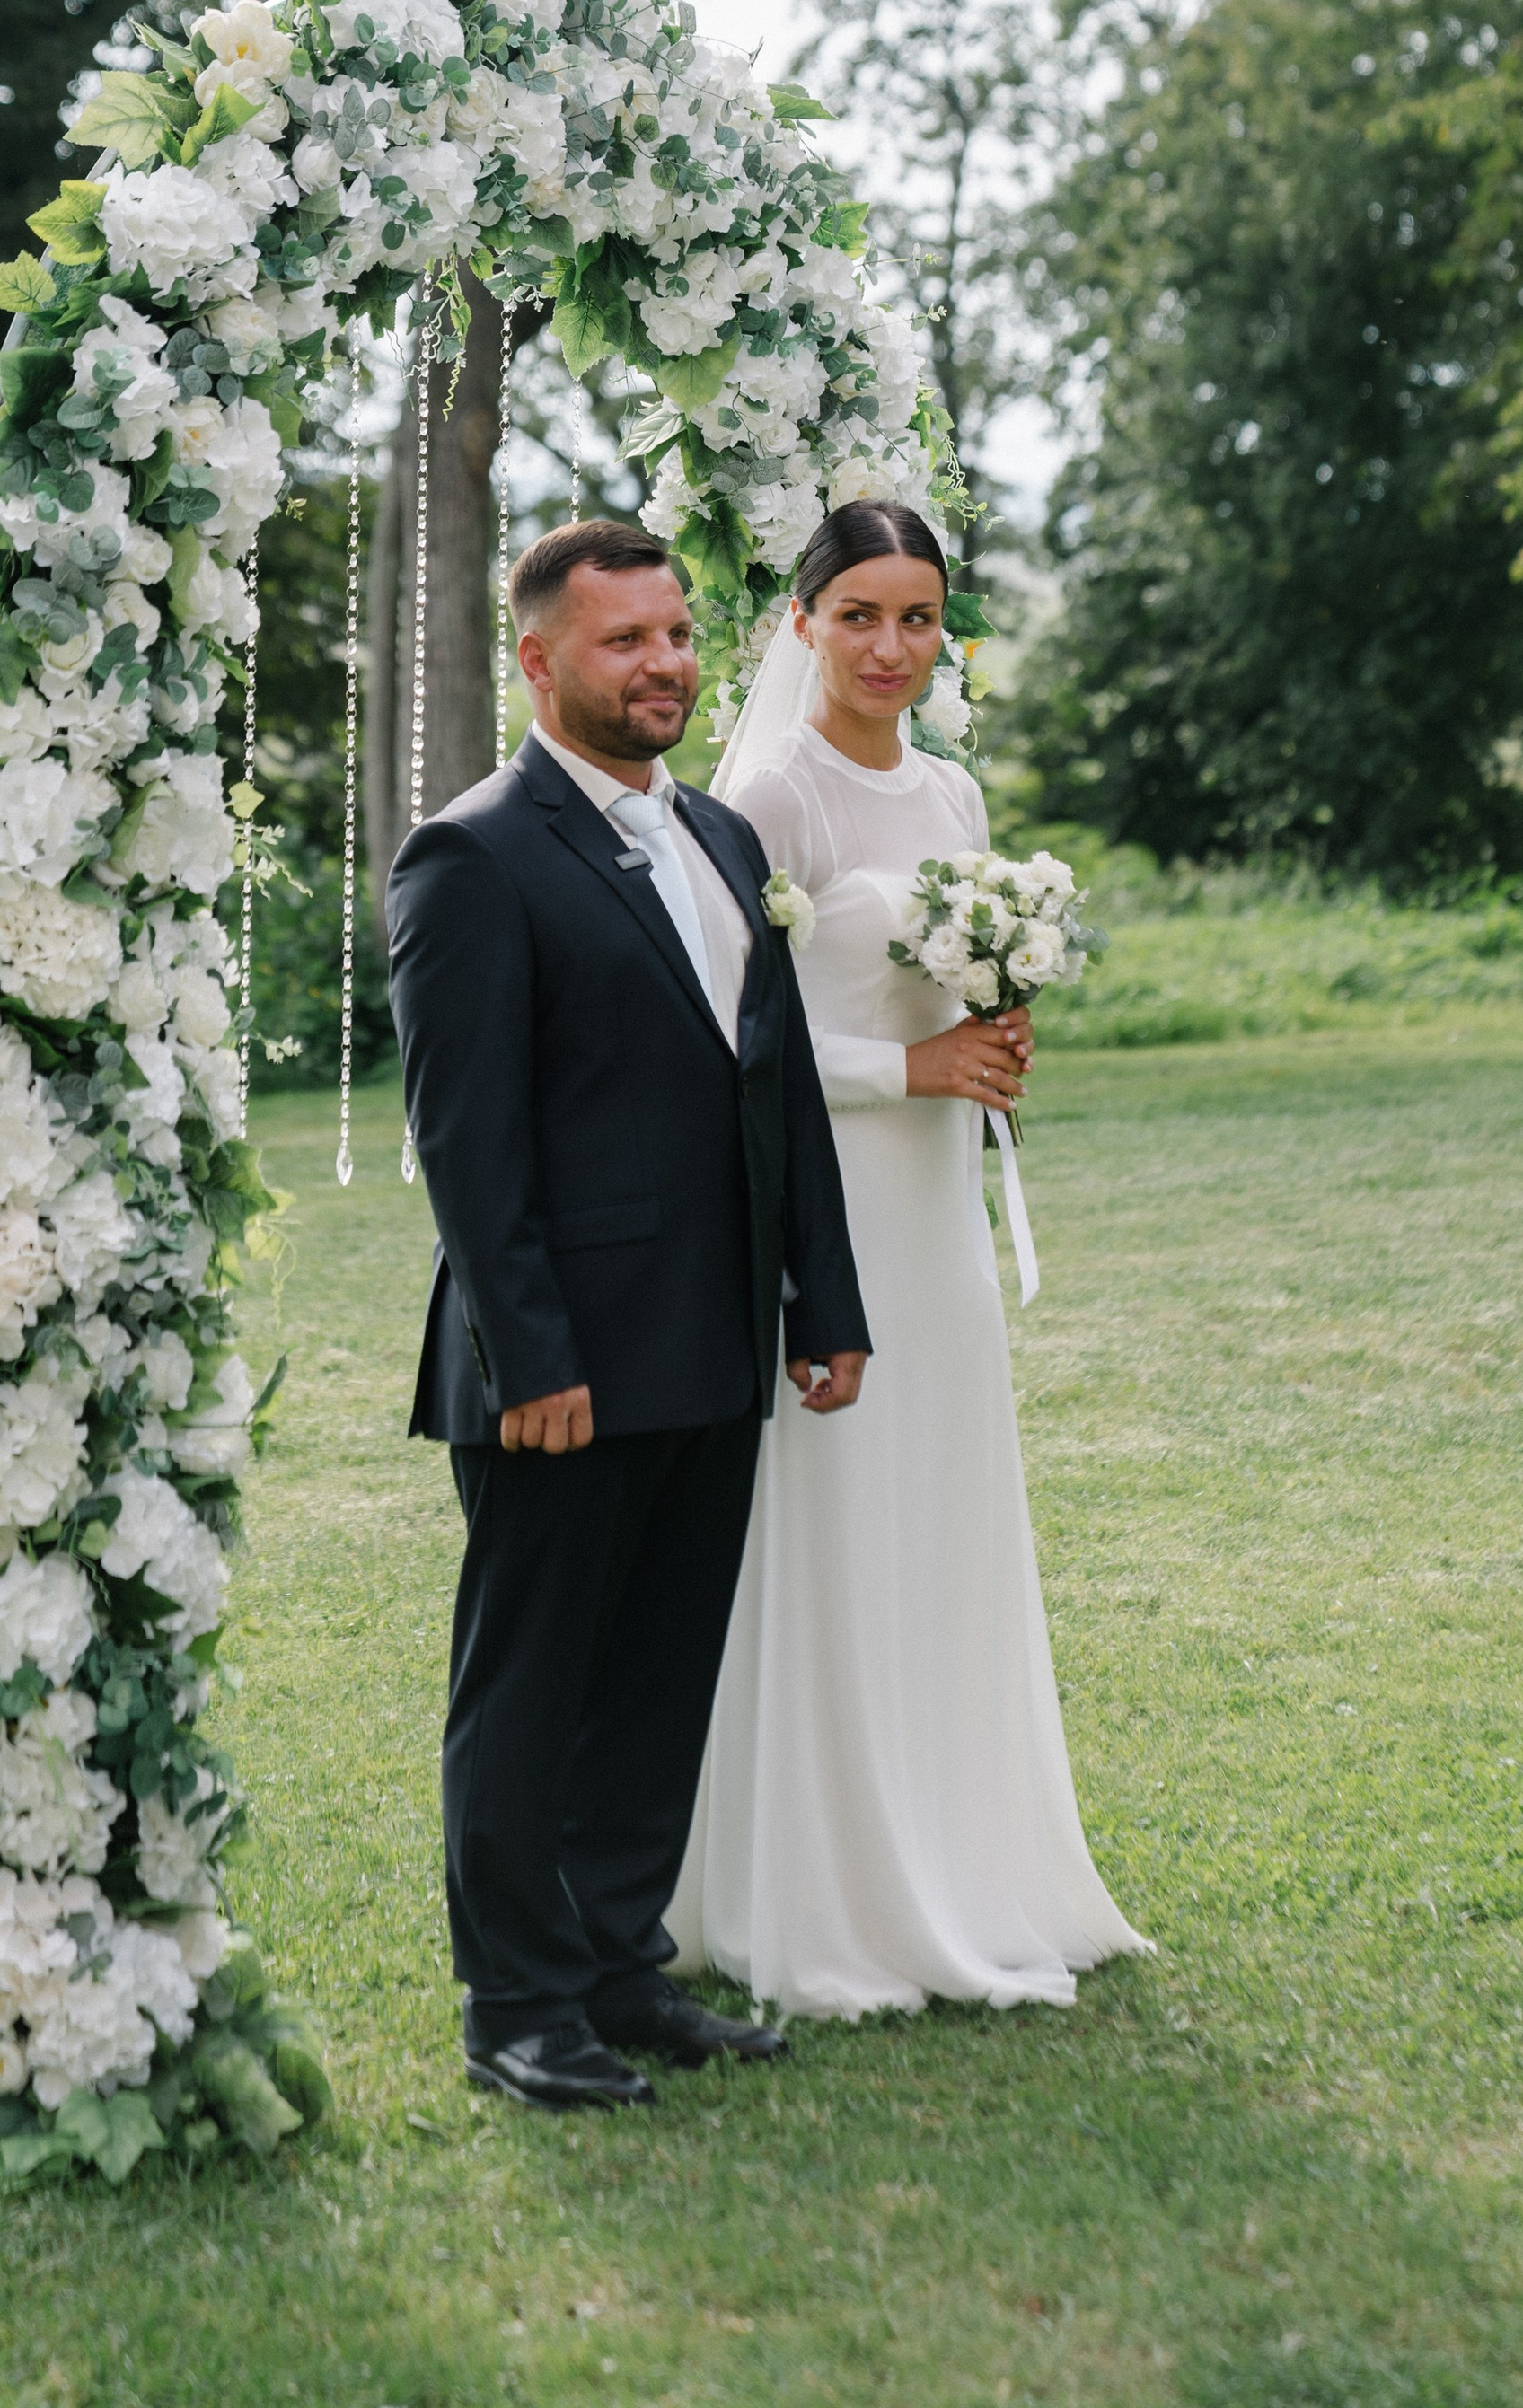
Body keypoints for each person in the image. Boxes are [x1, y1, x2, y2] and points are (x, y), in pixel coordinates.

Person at [385, 519, 872, 2112]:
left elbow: (775, 1090)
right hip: (560, 1369)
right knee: (534, 1695)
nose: (663, 663)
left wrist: (825, 1298)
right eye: (624, 642)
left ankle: (615, 1971)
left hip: (713, 1343)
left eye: (676, 636)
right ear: (537, 659)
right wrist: (534, 1358)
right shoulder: (472, 853)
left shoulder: (727, 839)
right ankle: (517, 2009)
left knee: (661, 1680)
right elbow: (469, 1140)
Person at [667, 499, 1145, 2017]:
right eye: (860, 614)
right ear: (799, 621)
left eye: (920, 619)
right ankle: (823, 1884)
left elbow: (940, 977)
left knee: (943, 1495)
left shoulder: (951, 793)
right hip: (832, 1192)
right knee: (842, 1499)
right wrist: (909, 1077)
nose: (891, 647)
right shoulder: (767, 792)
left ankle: (967, 1852)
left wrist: (992, 1036)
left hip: (935, 1205)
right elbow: (738, 1038)